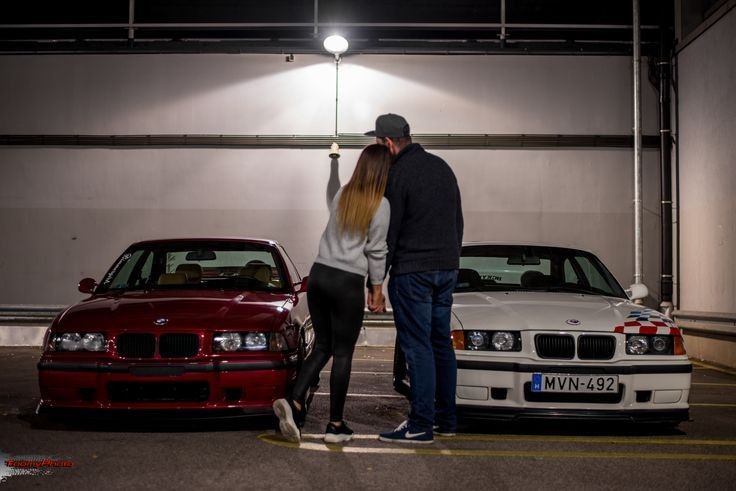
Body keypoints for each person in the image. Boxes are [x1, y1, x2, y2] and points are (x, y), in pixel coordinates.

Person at [273, 144, 392, 444]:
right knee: (343, 353)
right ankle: (335, 426)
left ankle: (294, 399)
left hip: (320, 275)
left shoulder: (343, 196)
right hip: (346, 281)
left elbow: (333, 191)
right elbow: (377, 250)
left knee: (322, 346)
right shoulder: (381, 205)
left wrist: (334, 164)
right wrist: (377, 289)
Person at [368, 113, 464, 444]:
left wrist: (376, 285)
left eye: (378, 143)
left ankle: (420, 424)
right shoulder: (442, 168)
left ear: (388, 143)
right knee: (441, 344)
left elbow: (388, 235)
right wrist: (451, 261)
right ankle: (446, 420)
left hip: (413, 272)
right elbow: (457, 221)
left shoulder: (397, 174)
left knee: (417, 347)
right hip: (446, 268)